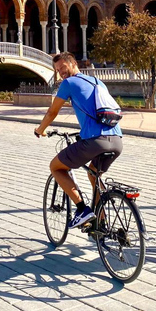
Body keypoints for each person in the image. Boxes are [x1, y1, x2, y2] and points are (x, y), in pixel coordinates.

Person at [35, 52, 123, 228]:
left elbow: (52, 112)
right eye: (58, 71)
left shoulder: (69, 83)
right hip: (117, 140)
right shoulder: (98, 82)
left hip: (96, 141)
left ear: (73, 63)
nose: (61, 73)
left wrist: (40, 130)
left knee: (56, 167)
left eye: (63, 67)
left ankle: (82, 209)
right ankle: (101, 222)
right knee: (94, 175)